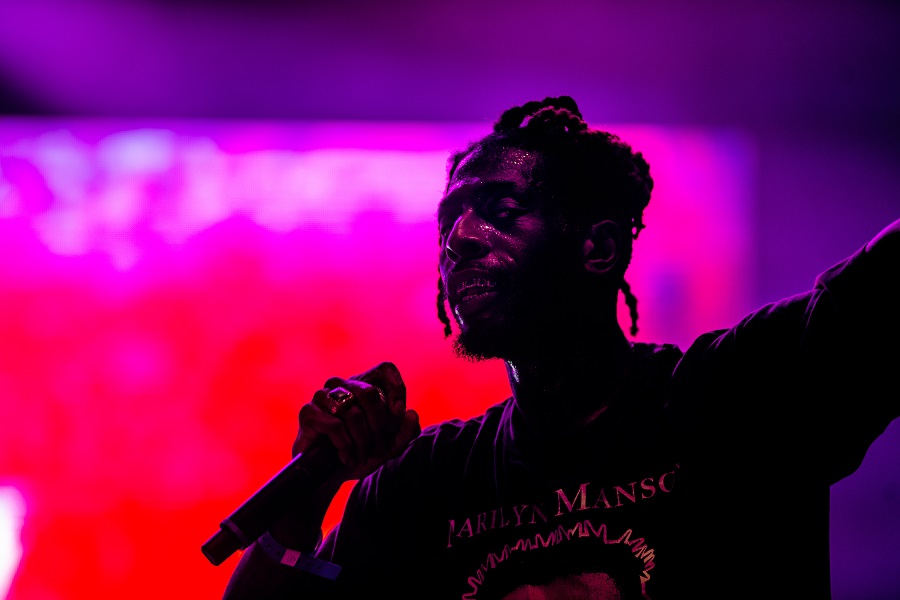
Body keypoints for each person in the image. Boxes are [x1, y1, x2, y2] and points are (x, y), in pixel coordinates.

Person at [220, 96, 899, 599]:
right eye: (450, 221)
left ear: (598, 248)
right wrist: (309, 491)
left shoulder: (737, 394)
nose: (460, 239)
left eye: (501, 212)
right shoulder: (426, 484)